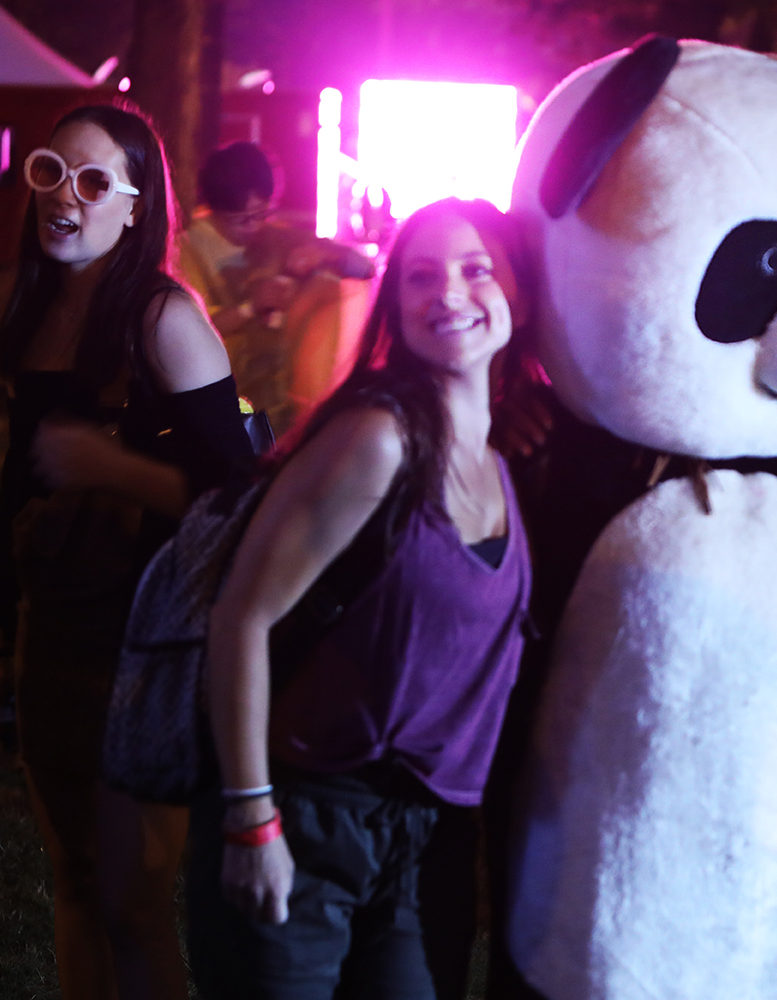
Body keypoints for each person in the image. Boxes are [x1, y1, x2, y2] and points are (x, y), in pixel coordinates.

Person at [187, 197, 533, 1000]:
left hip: (415, 841)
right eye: (421, 277)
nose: (448, 293)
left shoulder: (503, 466)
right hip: (305, 817)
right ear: (395, 301)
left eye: (476, 269)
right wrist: (252, 818)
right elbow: (241, 615)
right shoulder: (377, 439)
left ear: (519, 290)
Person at [0, 102, 255, 1000]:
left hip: (145, 646)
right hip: (50, 632)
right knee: (72, 882)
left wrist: (112, 466)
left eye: (95, 182)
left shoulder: (164, 318)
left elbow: (239, 500)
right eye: (52, 173)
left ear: (136, 207)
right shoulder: (38, 312)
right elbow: (17, 495)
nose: (66, 197)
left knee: (132, 905)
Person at [180, 141, 374, 431]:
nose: (254, 226)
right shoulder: (186, 250)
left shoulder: (277, 239)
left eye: (263, 214)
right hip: (224, 406)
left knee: (332, 287)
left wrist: (325, 255)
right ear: (213, 209)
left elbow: (366, 269)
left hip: (285, 399)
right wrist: (249, 308)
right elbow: (186, 335)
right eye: (241, 220)